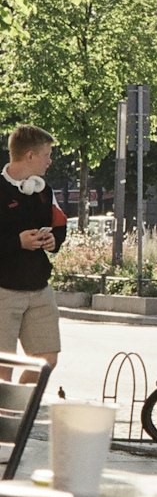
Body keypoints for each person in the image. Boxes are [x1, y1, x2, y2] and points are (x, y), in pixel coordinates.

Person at [0, 125, 66, 377]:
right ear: (30, 155)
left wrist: (53, 240)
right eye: (47, 154)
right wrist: (17, 242)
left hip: (39, 289)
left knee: (45, 360)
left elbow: (60, 225)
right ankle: (6, 416)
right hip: (3, 290)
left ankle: (22, 410)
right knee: (2, 367)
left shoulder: (44, 190)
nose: (50, 161)